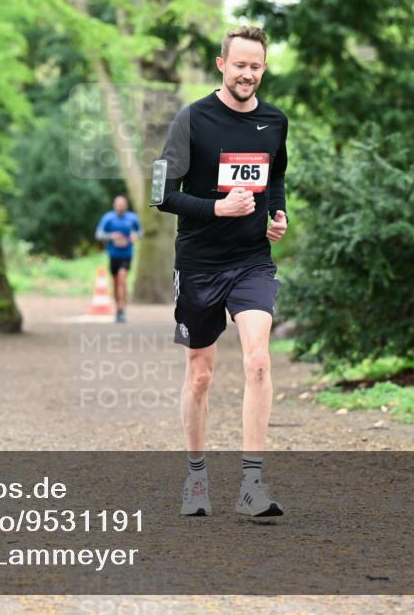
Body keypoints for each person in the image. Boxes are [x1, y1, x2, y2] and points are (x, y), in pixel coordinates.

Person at [153, 26, 289, 517]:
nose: (247, 74)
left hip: (252, 261)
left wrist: (278, 216)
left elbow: (275, 179)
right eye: (239, 65)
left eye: (256, 66)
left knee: (257, 361)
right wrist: (216, 210)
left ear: (264, 68)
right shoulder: (193, 119)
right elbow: (162, 194)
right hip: (200, 264)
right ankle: (195, 477)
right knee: (201, 375)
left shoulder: (275, 121)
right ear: (221, 65)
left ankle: (252, 483)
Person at [95, 195, 142, 323]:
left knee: (122, 279)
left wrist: (135, 236)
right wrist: (112, 236)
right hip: (113, 255)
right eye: (118, 204)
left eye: (123, 204)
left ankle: (122, 309)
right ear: (114, 205)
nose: (120, 206)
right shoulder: (108, 218)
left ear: (126, 205)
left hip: (127, 255)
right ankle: (118, 309)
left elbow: (139, 231)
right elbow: (98, 234)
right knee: (116, 283)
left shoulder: (132, 218)